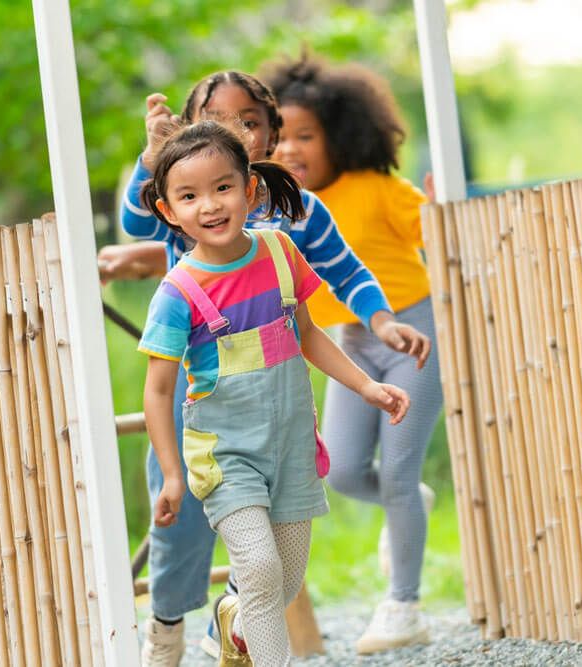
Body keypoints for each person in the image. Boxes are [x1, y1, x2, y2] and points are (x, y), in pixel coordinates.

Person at [105, 70, 430, 666]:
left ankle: (234, 615)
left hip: (281, 418)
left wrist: (376, 344)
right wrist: (150, 156)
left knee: (273, 575)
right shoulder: (187, 233)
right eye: (216, 121)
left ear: (261, 157)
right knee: (187, 543)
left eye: (248, 122)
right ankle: (169, 633)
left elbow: (331, 293)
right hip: (203, 411)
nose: (209, 202)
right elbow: (135, 220)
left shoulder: (289, 228)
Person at [261, 54, 445, 654]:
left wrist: (442, 206)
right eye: (280, 137)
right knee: (339, 469)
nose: (291, 149)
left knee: (395, 469)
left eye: (306, 137)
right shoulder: (280, 210)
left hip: (414, 336)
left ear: (340, 137)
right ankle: (408, 503)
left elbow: (437, 232)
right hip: (353, 347)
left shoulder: (377, 190)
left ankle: (404, 605)